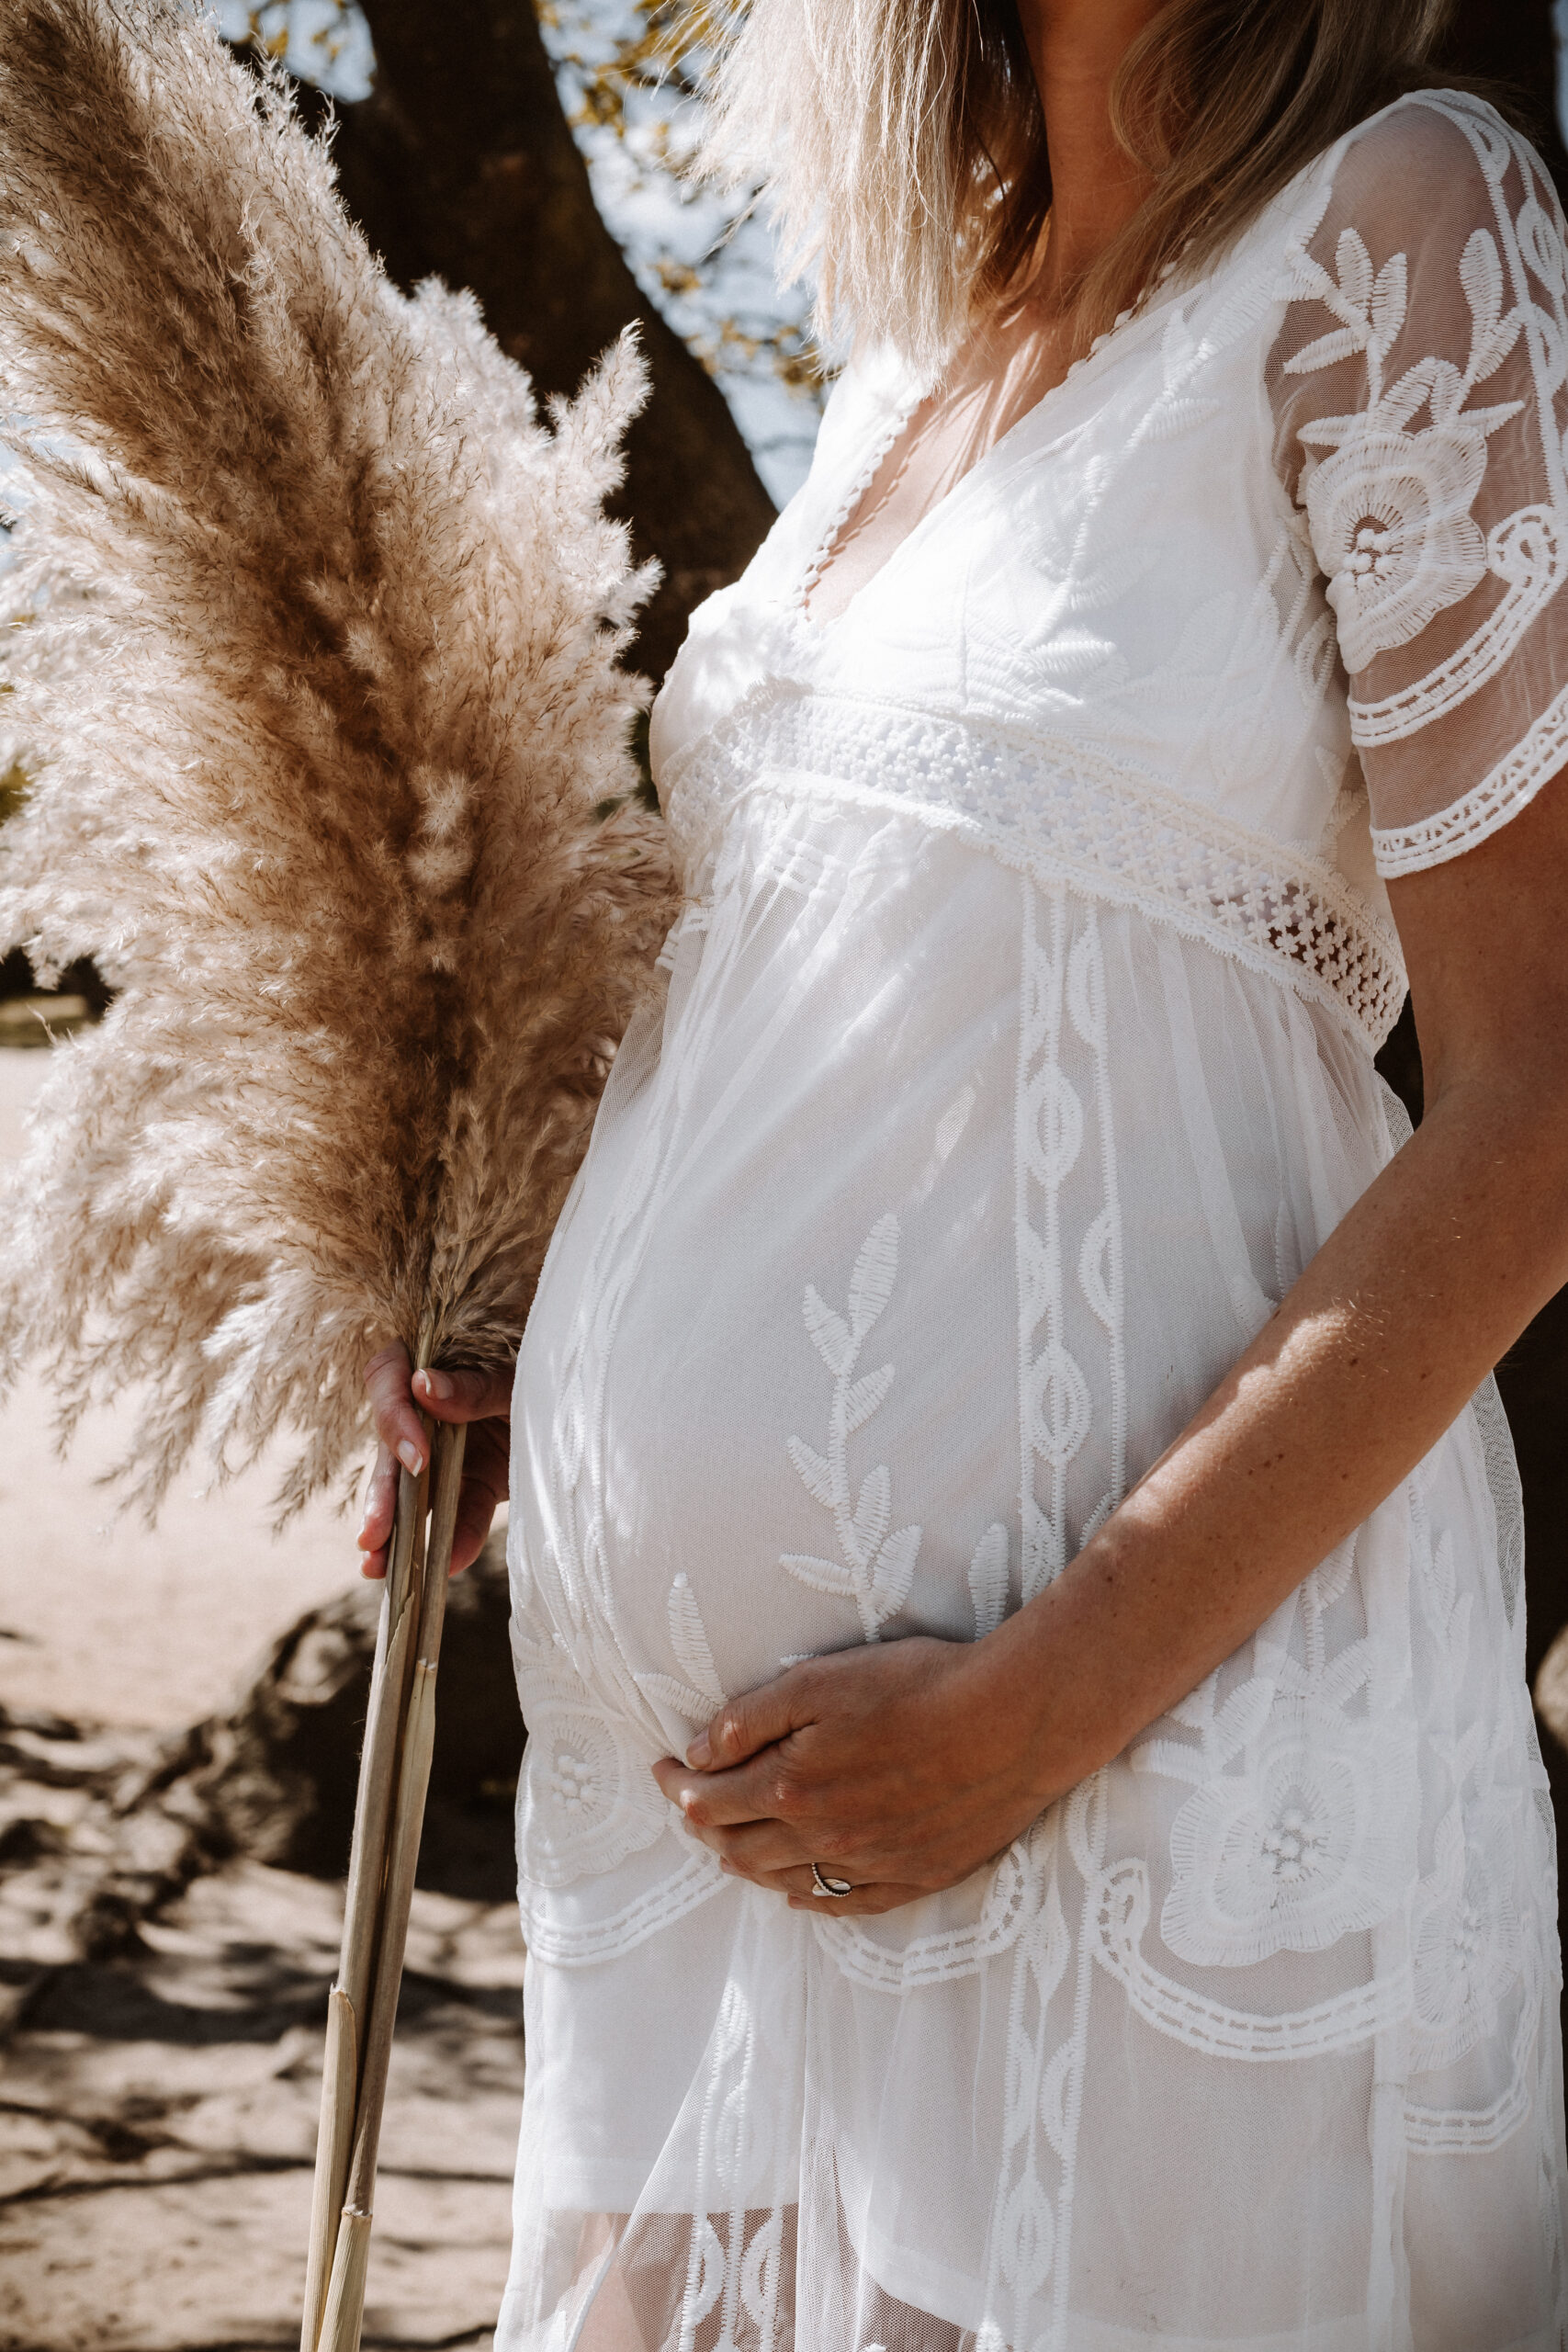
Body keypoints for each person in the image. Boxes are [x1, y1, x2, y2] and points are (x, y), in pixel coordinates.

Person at [359, 0, 1568, 2339]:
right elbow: (856, 965)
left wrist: (1044, 1695)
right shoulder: (925, 326)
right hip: (694, 1833)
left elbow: (1540, 1100)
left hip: (1113, 1773)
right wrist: (554, 1320)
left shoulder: (1402, 223)